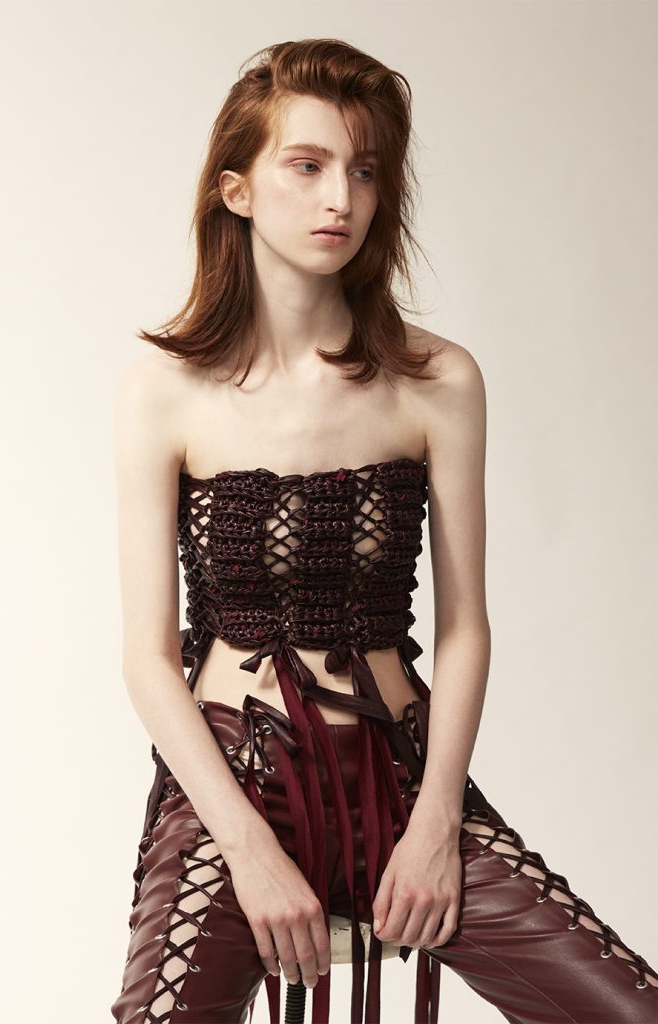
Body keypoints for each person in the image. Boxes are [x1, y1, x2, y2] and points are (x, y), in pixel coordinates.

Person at [109, 37, 657, 1024]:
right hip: (233, 784)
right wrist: (245, 848)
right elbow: (148, 661)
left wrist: (439, 819)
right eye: (307, 165)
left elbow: (464, 625)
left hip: (403, 779)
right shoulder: (164, 392)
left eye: (364, 171)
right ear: (237, 189)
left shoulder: (437, 381)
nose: (342, 199)